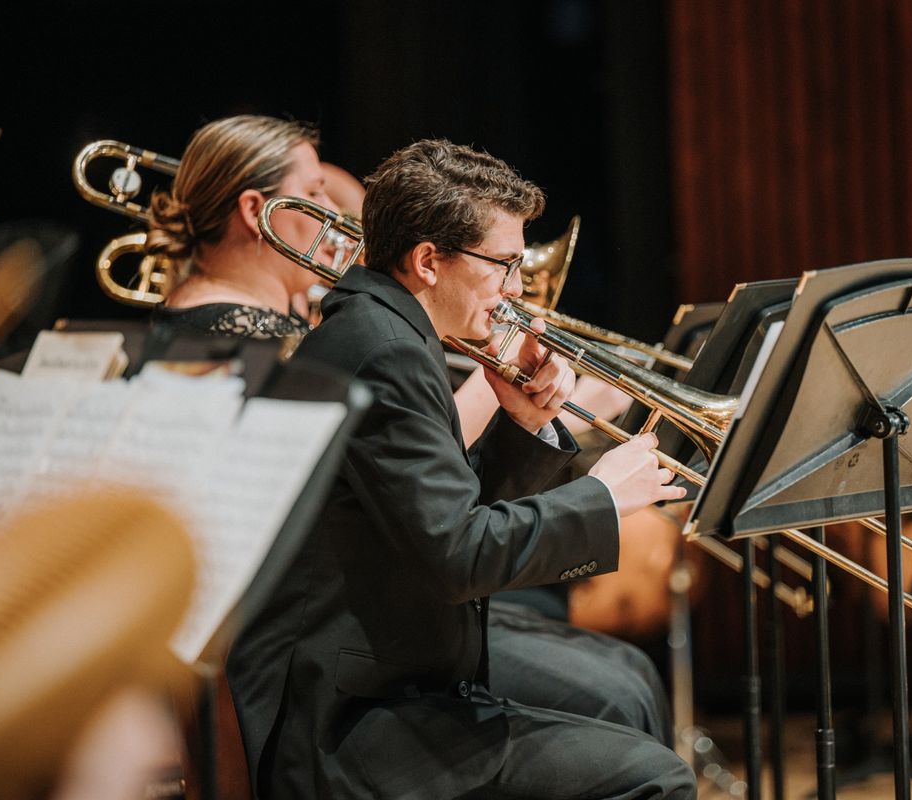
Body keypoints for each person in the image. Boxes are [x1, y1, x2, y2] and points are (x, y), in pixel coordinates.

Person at [226, 138, 696, 799]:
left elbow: (447, 519)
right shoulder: (386, 353)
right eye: (504, 265)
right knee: (656, 780)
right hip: (349, 724)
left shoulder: (382, 331)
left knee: (625, 710)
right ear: (427, 262)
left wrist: (523, 426)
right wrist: (600, 497)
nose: (515, 291)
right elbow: (459, 556)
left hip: (389, 678)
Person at [145, 115, 339, 344]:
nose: (335, 210)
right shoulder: (252, 337)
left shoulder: (224, 314)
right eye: (314, 193)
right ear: (255, 211)